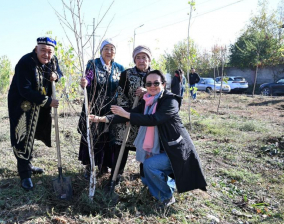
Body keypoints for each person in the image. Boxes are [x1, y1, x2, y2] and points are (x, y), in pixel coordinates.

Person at [89, 70, 207, 207]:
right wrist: (102, 119)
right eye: (149, 83)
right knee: (146, 171)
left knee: (149, 166)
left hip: (175, 151)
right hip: (162, 149)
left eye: (156, 83)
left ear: (163, 84)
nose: (152, 86)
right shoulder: (148, 101)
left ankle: (166, 197)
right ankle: (160, 189)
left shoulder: (170, 101)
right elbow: (130, 113)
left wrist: (127, 115)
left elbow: (155, 119)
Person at [8, 37, 62, 191]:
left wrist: (56, 76)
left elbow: (59, 71)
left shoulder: (53, 60)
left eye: (49, 51)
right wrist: (47, 100)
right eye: (43, 50)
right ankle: (24, 175)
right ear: (36, 49)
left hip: (39, 106)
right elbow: (24, 89)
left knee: (32, 135)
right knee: (22, 136)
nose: (46, 54)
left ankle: (29, 165)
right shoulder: (26, 62)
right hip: (22, 104)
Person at [78, 38, 125, 179]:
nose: (109, 52)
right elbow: (88, 79)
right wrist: (84, 82)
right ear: (101, 51)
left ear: (115, 52)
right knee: (92, 134)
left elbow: (122, 88)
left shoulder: (119, 68)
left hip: (111, 107)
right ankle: (90, 165)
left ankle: (104, 165)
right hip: (94, 105)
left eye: (112, 49)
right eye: (106, 48)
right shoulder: (93, 64)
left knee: (108, 136)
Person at [109, 45, 151, 183]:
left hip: (146, 119)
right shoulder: (126, 74)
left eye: (144, 57)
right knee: (122, 146)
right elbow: (120, 94)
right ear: (134, 60)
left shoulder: (154, 75)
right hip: (126, 117)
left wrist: (147, 92)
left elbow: (161, 94)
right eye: (138, 57)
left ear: (149, 59)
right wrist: (127, 114)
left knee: (146, 148)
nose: (141, 60)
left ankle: (145, 177)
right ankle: (116, 175)